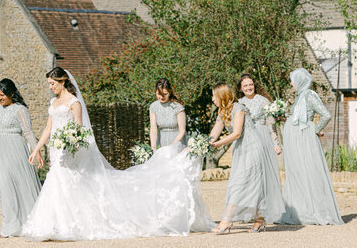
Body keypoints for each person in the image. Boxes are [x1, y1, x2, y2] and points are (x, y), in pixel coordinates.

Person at [21, 67, 213, 241]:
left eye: (52, 83)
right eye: (49, 84)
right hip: (56, 148)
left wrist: (70, 143)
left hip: (68, 148)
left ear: (63, 82)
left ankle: (70, 225)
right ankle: (52, 224)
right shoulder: (53, 102)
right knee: (56, 181)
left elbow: (78, 128)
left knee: (69, 182)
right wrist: (37, 148)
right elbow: (48, 127)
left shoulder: (74, 102)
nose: (50, 87)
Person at [209, 82, 285, 234]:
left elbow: (236, 133)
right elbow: (214, 132)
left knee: (239, 184)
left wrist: (217, 144)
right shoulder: (222, 111)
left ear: (222, 96)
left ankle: (226, 221)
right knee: (251, 185)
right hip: (241, 150)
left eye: (214, 96)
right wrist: (203, 144)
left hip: (253, 148)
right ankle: (260, 219)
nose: (212, 99)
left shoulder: (238, 108)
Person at [280, 68, 344, 225]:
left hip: (304, 140)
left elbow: (326, 114)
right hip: (296, 141)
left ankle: (317, 211)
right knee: (297, 173)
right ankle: (302, 211)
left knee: (308, 171)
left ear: (300, 81)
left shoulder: (309, 95)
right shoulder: (300, 97)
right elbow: (298, 117)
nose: (291, 83)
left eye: (293, 80)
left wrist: (315, 129)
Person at [0, 78, 41, 237]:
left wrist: (37, 151)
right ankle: (13, 223)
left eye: (3, 95)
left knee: (10, 187)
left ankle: (11, 228)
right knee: (0, 188)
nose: (0, 98)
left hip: (14, 151)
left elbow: (28, 132)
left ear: (12, 94)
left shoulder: (20, 110)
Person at [149, 78, 187, 149]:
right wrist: (153, 146)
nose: (161, 97)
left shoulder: (178, 107)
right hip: (161, 142)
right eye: (158, 94)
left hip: (177, 143)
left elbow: (182, 131)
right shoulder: (153, 107)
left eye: (164, 94)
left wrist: (171, 147)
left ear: (169, 92)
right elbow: (153, 128)